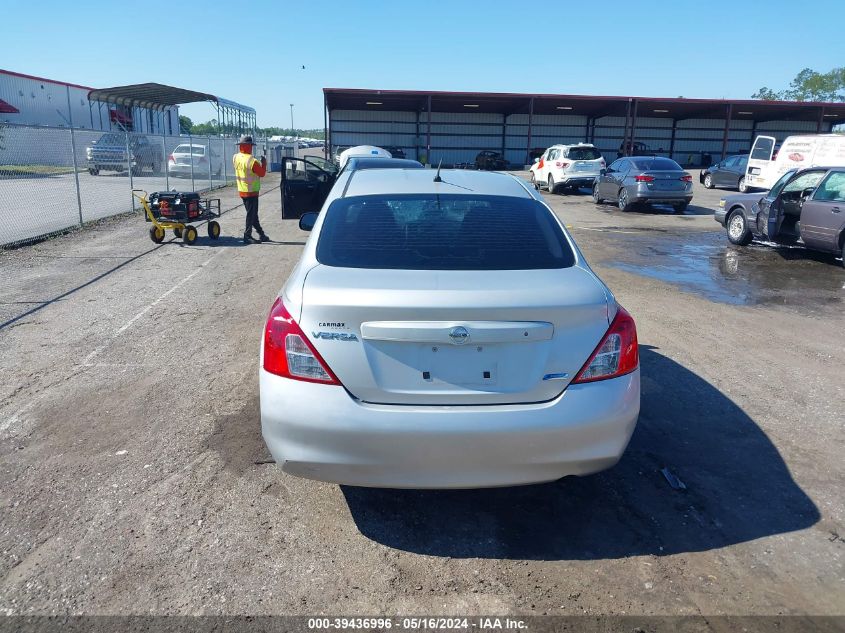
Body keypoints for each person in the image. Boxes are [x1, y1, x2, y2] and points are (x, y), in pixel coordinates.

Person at [233, 134, 269, 244]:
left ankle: (261, 234)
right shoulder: (252, 161)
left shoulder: (235, 157)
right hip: (251, 191)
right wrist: (264, 163)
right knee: (251, 214)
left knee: (253, 214)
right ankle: (247, 235)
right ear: (249, 146)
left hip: (242, 190)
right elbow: (262, 173)